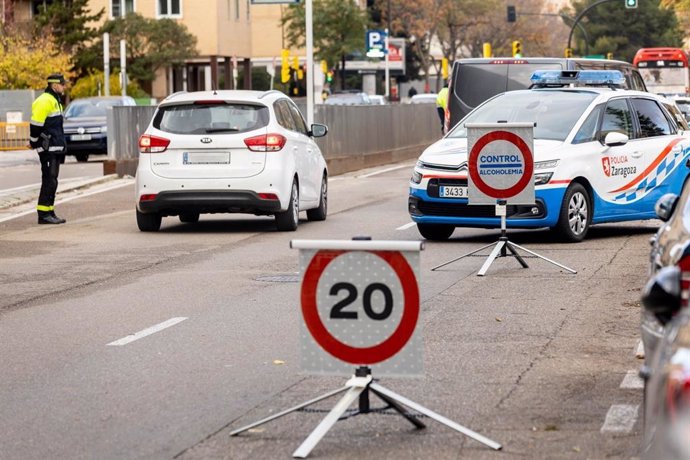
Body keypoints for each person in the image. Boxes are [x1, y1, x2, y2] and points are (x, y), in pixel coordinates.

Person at [30, 73, 68, 224]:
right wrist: (33, 142)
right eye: (62, 84)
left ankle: (49, 211)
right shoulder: (44, 101)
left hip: (54, 147)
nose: (64, 86)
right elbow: (36, 125)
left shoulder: (54, 100)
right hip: (47, 149)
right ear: (54, 85)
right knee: (49, 180)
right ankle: (43, 214)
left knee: (52, 181)